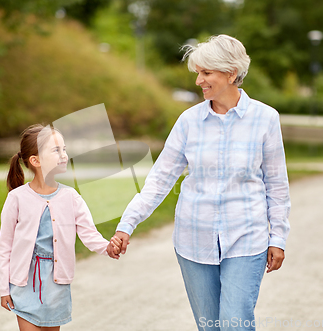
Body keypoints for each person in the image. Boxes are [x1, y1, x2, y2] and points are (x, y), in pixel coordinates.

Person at [108, 35, 291, 331]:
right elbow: (159, 180)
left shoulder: (265, 119)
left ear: (231, 73)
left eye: (206, 73)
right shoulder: (188, 122)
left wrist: (278, 238)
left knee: (234, 324)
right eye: (198, 73)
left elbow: (277, 186)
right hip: (194, 239)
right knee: (210, 327)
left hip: (247, 237)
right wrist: (126, 224)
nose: (199, 81)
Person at [0, 124, 121, 331]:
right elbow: (4, 248)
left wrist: (107, 247)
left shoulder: (71, 197)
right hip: (23, 283)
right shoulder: (16, 199)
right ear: (35, 160)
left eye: (64, 149)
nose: (64, 155)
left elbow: (89, 233)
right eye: (56, 150)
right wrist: (3, 289)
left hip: (57, 285)